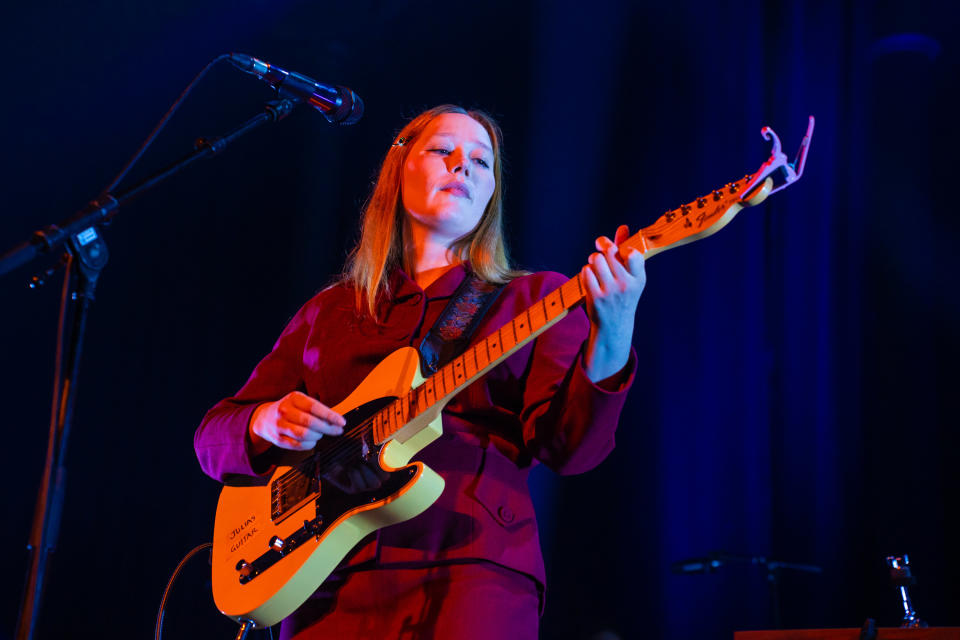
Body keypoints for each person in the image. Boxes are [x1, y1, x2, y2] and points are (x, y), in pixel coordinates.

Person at [194, 104, 646, 639]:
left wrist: (614, 330)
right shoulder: (331, 312)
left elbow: (572, 450)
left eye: (483, 162)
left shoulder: (533, 299)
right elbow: (212, 437)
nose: (464, 166)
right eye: (443, 151)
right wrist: (265, 422)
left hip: (472, 572)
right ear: (398, 169)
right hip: (326, 583)